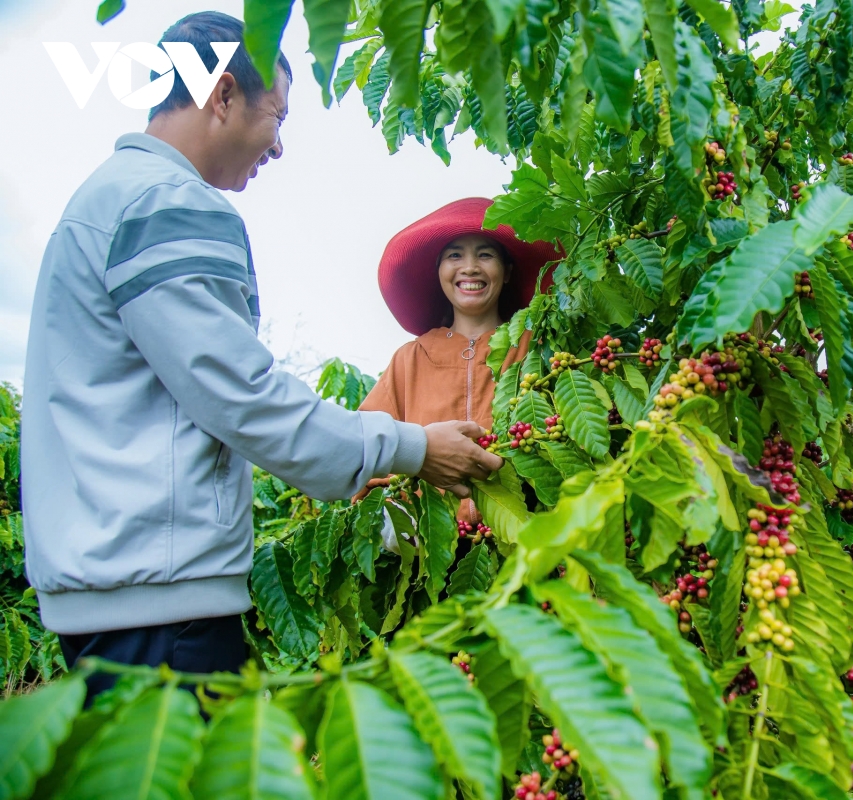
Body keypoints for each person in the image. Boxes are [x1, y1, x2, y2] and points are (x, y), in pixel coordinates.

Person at [20, 12, 500, 700]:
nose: (277, 146)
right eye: (276, 116)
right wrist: (414, 449)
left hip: (116, 588)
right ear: (221, 96)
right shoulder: (168, 203)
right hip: (162, 606)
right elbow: (241, 396)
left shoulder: (106, 197)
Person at [356, 198, 559, 526]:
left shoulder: (535, 347)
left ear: (507, 272)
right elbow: (368, 448)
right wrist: (397, 520)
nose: (470, 267)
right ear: (438, 271)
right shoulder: (410, 359)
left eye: (485, 254)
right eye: (454, 255)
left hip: (528, 542)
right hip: (430, 547)